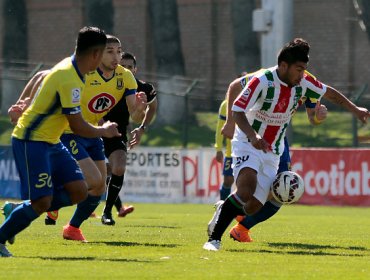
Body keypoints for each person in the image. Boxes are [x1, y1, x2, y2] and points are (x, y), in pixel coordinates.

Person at [203, 38, 370, 251]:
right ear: (283, 66)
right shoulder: (262, 80)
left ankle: (224, 209)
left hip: (274, 148)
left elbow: (329, 93)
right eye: (299, 69)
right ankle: (213, 240)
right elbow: (237, 109)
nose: (302, 75)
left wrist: (355, 110)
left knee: (253, 206)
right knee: (246, 188)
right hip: (247, 141)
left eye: (304, 70)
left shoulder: (304, 83)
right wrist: (253, 136)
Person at [0, 26, 122, 257]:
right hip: (31, 141)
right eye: (105, 53)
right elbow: (77, 125)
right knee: (42, 202)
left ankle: (18, 210)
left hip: (52, 141)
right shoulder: (69, 77)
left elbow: (43, 77)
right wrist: (103, 130)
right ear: (95, 54)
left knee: (78, 191)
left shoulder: (73, 69)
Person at [221, 70, 328, 243]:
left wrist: (319, 117)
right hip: (253, 132)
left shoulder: (308, 81)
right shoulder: (268, 76)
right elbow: (234, 86)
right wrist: (229, 122)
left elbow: (312, 118)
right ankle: (237, 219)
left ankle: (241, 222)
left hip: (278, 137)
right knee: (269, 187)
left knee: (284, 189)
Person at [101, 52, 158, 225]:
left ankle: (108, 211)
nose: (126, 69)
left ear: (135, 69)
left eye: (129, 67)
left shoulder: (144, 89)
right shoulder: (103, 82)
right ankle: (54, 210)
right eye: (122, 66)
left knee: (118, 167)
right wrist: (100, 125)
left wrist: (142, 128)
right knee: (96, 174)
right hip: (93, 128)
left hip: (117, 133)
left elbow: (152, 108)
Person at [214, 99, 234, 200]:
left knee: (246, 181)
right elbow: (220, 128)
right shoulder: (226, 104)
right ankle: (222, 207)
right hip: (231, 152)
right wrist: (218, 148)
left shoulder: (252, 101)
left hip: (248, 149)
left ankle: (244, 213)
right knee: (228, 180)